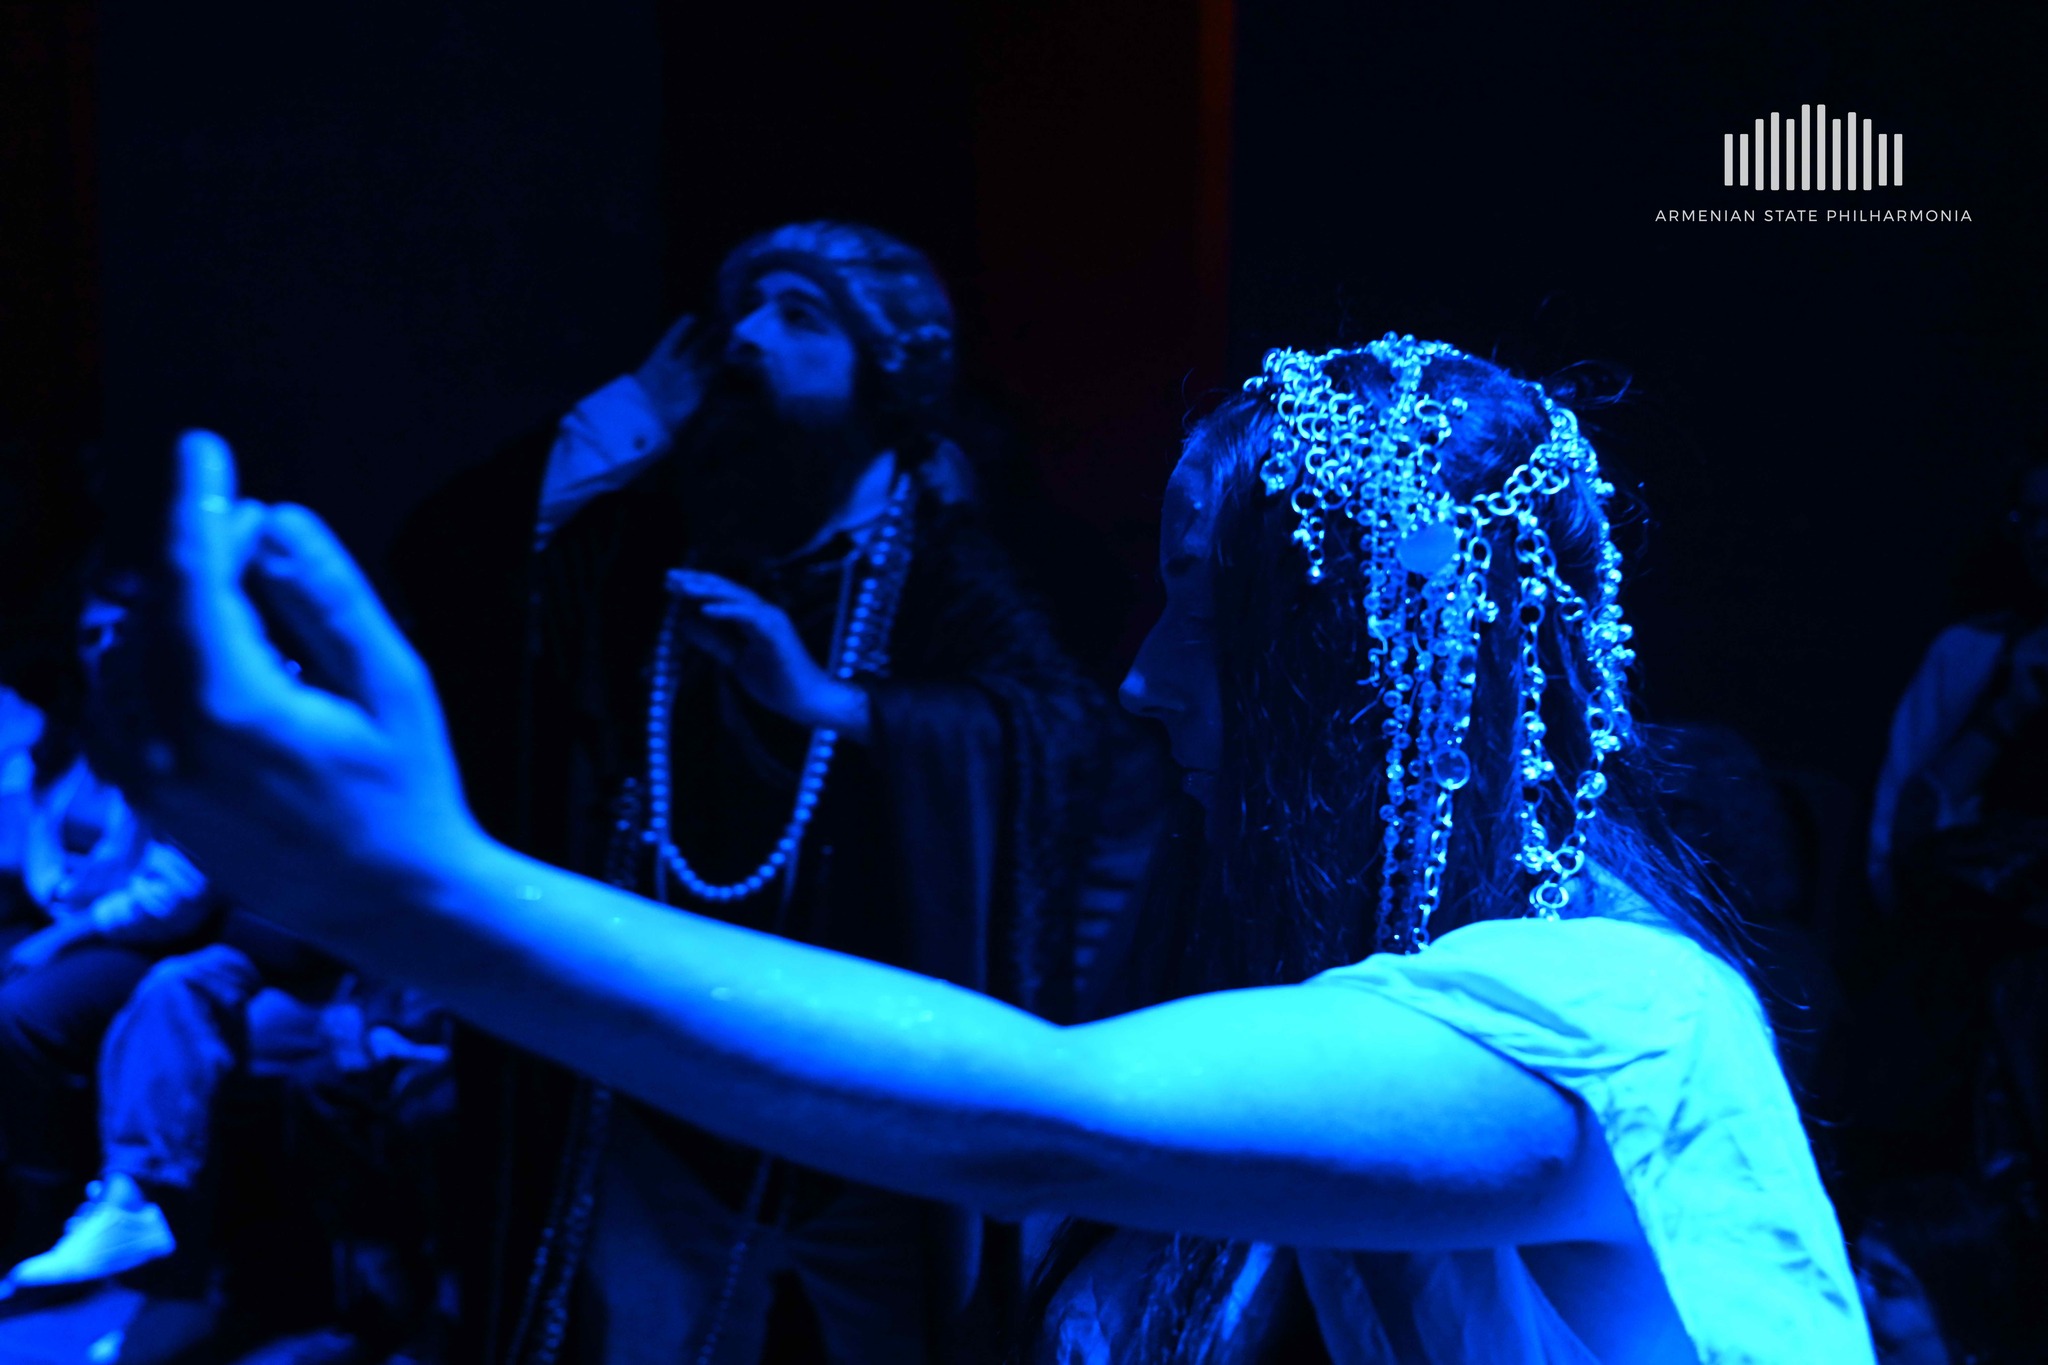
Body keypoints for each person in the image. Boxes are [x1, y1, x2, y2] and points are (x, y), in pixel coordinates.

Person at [95, 335, 1872, 1362]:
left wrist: (426, 887)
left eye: (1208, 616)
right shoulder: (1383, 995)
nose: (1141, 677)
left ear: (1361, 683)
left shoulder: (1611, 1016)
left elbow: (1034, 1118)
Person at [386, 221, 1105, 1363]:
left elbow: (1059, 732)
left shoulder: (942, 561)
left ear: (886, 368)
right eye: (746, 310)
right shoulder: (666, 539)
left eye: (799, 315)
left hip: (866, 1092)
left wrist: (831, 703)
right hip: (667, 1083)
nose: (749, 337)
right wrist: (629, 416)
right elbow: (452, 568)